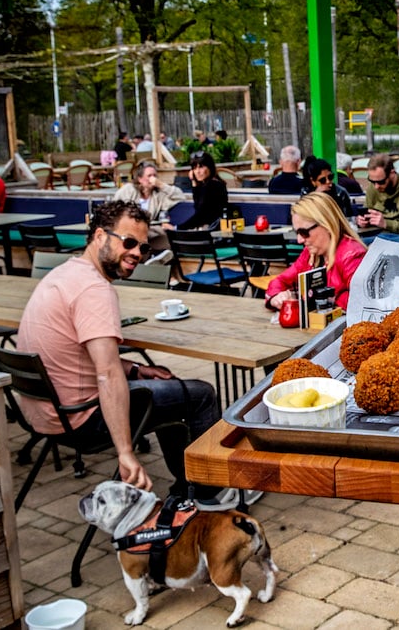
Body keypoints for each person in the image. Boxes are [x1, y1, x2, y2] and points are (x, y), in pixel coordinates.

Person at [15, 201, 237, 509]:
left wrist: (135, 369)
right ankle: (209, 494)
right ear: (99, 236)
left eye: (143, 248)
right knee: (200, 394)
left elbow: (79, 355)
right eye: (128, 242)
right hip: (81, 420)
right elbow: (106, 373)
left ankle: (187, 485)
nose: (136, 253)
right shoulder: (95, 290)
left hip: (44, 415)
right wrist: (125, 453)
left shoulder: (63, 274)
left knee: (171, 392)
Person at [264, 192, 367, 312]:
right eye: (297, 233)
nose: (299, 240)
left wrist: (325, 297)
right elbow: (280, 280)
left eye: (304, 232)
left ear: (327, 225)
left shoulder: (352, 255)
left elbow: (364, 303)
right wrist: (276, 297)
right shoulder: (310, 254)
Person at [113, 160, 185, 259]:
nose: (153, 178)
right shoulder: (128, 190)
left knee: (166, 239)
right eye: (149, 176)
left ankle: (155, 266)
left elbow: (180, 196)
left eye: (155, 175)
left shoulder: (158, 195)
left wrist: (161, 185)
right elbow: (114, 207)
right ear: (140, 179)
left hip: (148, 231)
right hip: (128, 231)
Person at [178, 150, 229, 230]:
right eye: (194, 168)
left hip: (213, 230)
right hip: (209, 228)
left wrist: (178, 228)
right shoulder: (208, 184)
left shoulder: (212, 185)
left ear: (210, 167)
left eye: (201, 167)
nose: (197, 171)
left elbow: (200, 214)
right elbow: (198, 208)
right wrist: (194, 182)